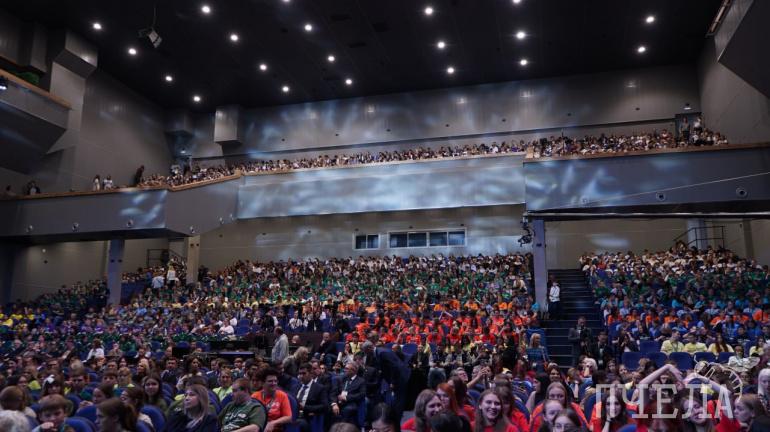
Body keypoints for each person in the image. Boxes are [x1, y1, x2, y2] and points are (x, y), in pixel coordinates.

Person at [252, 368, 293, 432]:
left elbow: (288, 417)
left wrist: (273, 423)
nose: (274, 383)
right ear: (262, 383)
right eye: (270, 381)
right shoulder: (255, 396)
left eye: (275, 381)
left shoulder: (282, 395)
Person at [294, 363, 327, 432]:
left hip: (308, 417)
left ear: (311, 374)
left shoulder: (319, 388)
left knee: (299, 423)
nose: (301, 376)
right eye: (300, 374)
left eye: (304, 373)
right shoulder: (296, 387)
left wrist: (305, 407)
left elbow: (324, 406)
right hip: (293, 415)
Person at [331, 361, 365, 425]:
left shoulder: (361, 381)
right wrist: (334, 404)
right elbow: (334, 392)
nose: (344, 370)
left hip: (350, 402)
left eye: (347, 369)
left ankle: (342, 427)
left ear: (353, 371)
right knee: (327, 408)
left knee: (347, 410)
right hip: (338, 401)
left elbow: (361, 394)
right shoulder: (341, 379)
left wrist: (346, 398)